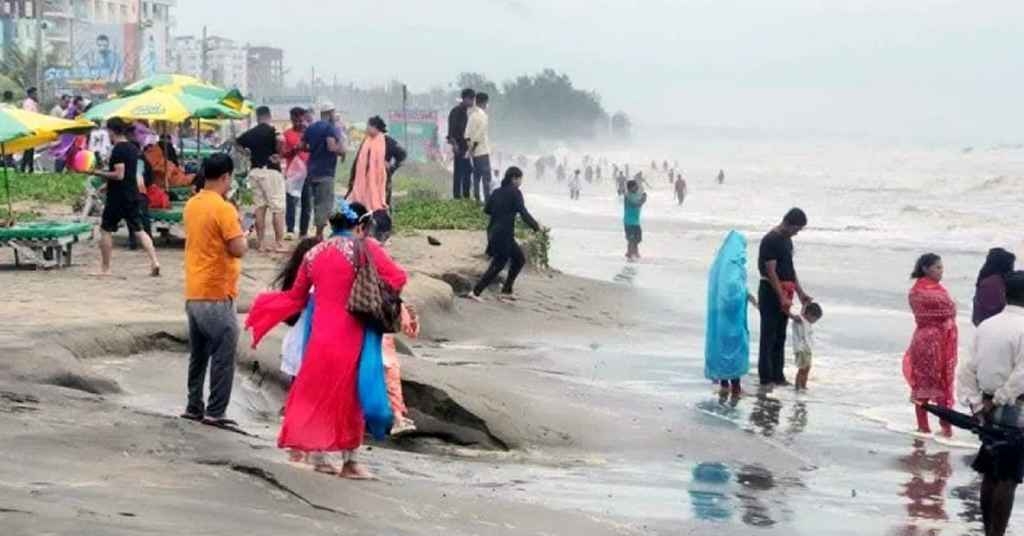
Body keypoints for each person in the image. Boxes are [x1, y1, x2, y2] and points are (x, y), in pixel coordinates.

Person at [246, 201, 408, 478]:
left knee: (318, 393)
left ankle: (319, 457)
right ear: (359, 225)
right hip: (354, 333)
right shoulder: (366, 247)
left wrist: (265, 308)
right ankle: (350, 462)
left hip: (319, 336)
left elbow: (296, 297)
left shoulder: (313, 253)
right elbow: (397, 277)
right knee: (352, 397)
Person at [181, 153, 248, 428]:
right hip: (217, 291)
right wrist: (246, 233)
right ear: (226, 177)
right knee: (223, 353)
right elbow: (238, 248)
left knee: (199, 354)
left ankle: (194, 405)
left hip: (194, 289)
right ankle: (216, 411)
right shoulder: (223, 208)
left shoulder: (192, 204)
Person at [957, 271, 1024, 536]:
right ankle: (997, 533)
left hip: (986, 403)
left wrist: (976, 403)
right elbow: (1022, 375)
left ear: (1005, 294)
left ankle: (988, 530)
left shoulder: (987, 325)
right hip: (1014, 406)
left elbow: (967, 369)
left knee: (990, 471)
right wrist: (999, 399)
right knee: (1008, 477)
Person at [89, 117, 161, 277]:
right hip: (133, 193)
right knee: (139, 229)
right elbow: (128, 175)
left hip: (118, 197)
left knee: (105, 230)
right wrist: (105, 185)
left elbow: (119, 175)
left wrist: (98, 173)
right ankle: (155, 261)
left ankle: (105, 269)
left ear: (111, 131)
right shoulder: (132, 148)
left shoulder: (119, 149)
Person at [904, 253, 957, 437]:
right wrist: (950, 310)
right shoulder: (928, 291)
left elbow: (948, 310)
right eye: (937, 267)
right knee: (940, 384)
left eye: (942, 267)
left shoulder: (916, 290)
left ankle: (923, 426)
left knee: (922, 386)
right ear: (926, 268)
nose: (941, 271)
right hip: (934, 341)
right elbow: (950, 309)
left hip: (922, 338)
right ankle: (946, 427)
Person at [468, 167, 541, 302]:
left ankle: (506, 290)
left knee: (519, 259)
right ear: (514, 178)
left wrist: (502, 211)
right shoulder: (515, 193)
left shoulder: (496, 192)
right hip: (504, 233)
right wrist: (536, 226)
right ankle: (476, 292)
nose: (520, 182)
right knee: (499, 263)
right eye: (520, 179)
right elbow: (523, 213)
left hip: (494, 232)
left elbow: (487, 210)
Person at [757, 208, 812, 387]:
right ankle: (766, 378)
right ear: (788, 223)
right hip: (770, 291)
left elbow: (790, 270)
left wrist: (800, 293)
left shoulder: (787, 241)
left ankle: (778, 376)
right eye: (796, 228)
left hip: (786, 290)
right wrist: (781, 296)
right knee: (769, 335)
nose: (797, 233)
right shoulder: (770, 240)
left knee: (780, 335)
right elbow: (771, 272)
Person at [705, 231, 759, 397]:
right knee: (734, 349)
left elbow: (729, 286)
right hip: (731, 316)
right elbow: (733, 290)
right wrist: (745, 295)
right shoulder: (733, 265)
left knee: (721, 347)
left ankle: (724, 384)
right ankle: (735, 387)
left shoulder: (720, 264)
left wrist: (748, 296)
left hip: (718, 314)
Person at [345, 115, 406, 242]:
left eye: (369, 126)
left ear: (376, 127)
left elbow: (402, 155)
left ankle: (383, 234)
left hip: (381, 182)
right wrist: (352, 179)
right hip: (363, 182)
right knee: (362, 206)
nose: (367, 129)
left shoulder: (387, 141)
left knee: (381, 206)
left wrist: (391, 167)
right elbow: (358, 161)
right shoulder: (366, 141)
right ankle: (365, 233)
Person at [237, 106, 286, 252]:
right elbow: (281, 140)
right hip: (271, 171)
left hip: (255, 171)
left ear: (257, 117)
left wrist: (246, 153)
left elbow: (237, 142)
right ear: (269, 116)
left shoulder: (251, 133)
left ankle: (261, 243)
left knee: (259, 208)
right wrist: (279, 153)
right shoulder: (273, 130)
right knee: (277, 208)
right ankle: (278, 243)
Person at [302, 102, 346, 239]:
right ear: (329, 113)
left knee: (317, 202)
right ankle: (319, 235)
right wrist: (342, 150)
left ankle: (318, 231)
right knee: (324, 203)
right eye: (333, 112)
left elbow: (302, 146)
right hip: (325, 172)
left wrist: (315, 149)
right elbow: (331, 147)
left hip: (312, 171)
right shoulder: (329, 128)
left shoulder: (311, 128)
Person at [282, 107, 309, 240]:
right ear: (291, 119)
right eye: (295, 120)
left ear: (304, 119)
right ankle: (290, 230)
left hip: (307, 173)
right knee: (291, 202)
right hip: (292, 174)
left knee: (306, 202)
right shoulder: (287, 134)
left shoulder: (309, 133)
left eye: (300, 120)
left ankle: (303, 231)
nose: (298, 123)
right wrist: (294, 149)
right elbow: (283, 153)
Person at [974, 248, 1016, 326]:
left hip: (985, 325)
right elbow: (997, 309)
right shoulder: (994, 283)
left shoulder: (987, 280)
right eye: (1011, 264)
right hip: (993, 326)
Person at [447, 88, 475, 199]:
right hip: (459, 146)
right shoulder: (456, 111)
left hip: (464, 146)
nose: (472, 102)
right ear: (465, 99)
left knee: (467, 171)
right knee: (460, 172)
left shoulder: (465, 113)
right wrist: (454, 145)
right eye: (471, 99)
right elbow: (451, 131)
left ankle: (465, 195)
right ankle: (458, 196)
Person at [466, 92, 493, 203]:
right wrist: (474, 147)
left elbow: (467, 135)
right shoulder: (483, 116)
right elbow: (480, 134)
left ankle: (477, 199)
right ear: (484, 102)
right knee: (486, 178)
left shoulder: (472, 115)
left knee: (476, 177)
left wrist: (470, 148)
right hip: (482, 151)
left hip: (474, 153)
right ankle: (487, 201)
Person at [791, 302, 823, 391]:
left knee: (807, 368)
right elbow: (797, 317)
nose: (814, 322)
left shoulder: (806, 321)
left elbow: (803, 311)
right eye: (814, 319)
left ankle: (803, 386)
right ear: (809, 314)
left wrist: (805, 304)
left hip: (807, 349)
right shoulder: (800, 320)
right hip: (801, 349)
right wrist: (787, 311)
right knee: (802, 369)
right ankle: (797, 387)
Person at [623, 179, 647, 262]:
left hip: (636, 221)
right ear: (631, 188)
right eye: (635, 186)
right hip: (629, 221)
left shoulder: (636, 194)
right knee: (631, 238)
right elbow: (635, 204)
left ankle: (631, 252)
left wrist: (643, 197)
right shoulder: (628, 196)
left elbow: (640, 198)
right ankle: (632, 253)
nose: (637, 187)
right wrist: (643, 200)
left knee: (638, 238)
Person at [19, 88, 39, 173]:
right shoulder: (28, 103)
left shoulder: (33, 103)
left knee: (30, 150)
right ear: (30, 94)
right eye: (35, 93)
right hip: (29, 128)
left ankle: (27, 168)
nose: (36, 95)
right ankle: (26, 168)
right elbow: (29, 115)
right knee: (28, 149)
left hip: (32, 128)